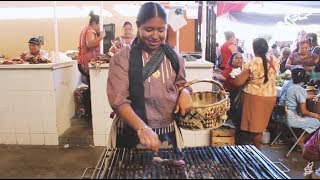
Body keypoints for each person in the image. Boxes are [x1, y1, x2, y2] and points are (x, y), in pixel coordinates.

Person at [107, 2, 193, 153]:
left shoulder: (174, 58)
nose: (155, 36)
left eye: (161, 30)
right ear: (138, 26)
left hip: (168, 132)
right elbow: (119, 102)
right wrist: (142, 128)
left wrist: (185, 92)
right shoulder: (122, 59)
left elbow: (181, 83)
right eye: (148, 29)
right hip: (132, 131)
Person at [231, 37, 279, 149]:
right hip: (270, 96)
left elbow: (238, 82)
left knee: (254, 126)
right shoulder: (275, 60)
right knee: (261, 125)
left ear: (254, 49)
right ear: (266, 48)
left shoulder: (252, 63)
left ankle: (256, 150)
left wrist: (233, 78)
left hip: (255, 96)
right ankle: (257, 149)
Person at [284, 67, 320, 147]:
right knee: (317, 121)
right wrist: (315, 115)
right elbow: (303, 111)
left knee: (310, 118)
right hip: (292, 119)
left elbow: (299, 96)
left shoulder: (288, 84)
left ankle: (297, 138)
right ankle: (301, 139)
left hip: (282, 116)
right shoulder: (299, 89)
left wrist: (314, 96)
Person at [77, 11, 106, 86]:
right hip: (86, 64)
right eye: (100, 25)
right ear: (95, 23)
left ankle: (89, 97)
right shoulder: (90, 30)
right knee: (93, 87)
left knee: (91, 86)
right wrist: (101, 36)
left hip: (83, 63)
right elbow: (90, 44)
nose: (100, 27)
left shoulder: (86, 30)